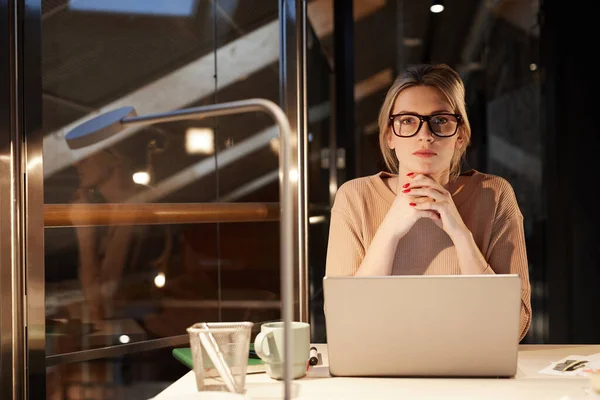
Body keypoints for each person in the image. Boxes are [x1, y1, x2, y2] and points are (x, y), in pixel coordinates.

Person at [325, 63, 532, 341]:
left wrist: (459, 232)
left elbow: (514, 327)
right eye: (408, 120)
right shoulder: (354, 196)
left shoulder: (494, 194)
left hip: (472, 372)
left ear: (461, 135)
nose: (425, 134)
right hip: (378, 375)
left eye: (440, 120)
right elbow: (344, 323)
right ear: (389, 136)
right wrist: (391, 229)